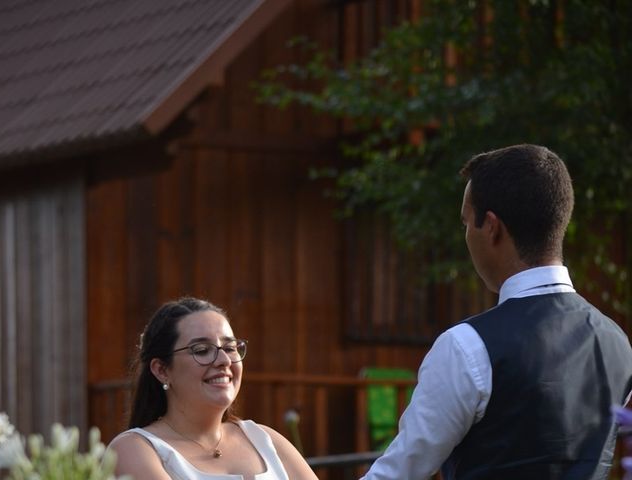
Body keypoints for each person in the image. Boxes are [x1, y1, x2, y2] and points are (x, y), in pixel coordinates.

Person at [361, 144, 632, 479]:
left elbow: (399, 474)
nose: (466, 236)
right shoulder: (617, 342)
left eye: (466, 223)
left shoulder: (467, 346)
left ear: (491, 227)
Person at [109, 297, 318, 480]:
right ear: (162, 370)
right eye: (201, 350)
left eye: (230, 348)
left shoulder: (266, 439)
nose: (224, 360)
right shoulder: (134, 449)